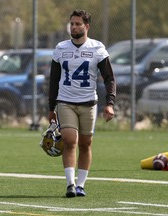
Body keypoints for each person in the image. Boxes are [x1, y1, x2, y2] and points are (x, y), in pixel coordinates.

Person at [48, 10, 116, 198]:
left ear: (87, 26)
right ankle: (70, 184)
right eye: (72, 24)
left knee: (86, 144)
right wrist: (50, 108)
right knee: (70, 141)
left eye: (78, 24)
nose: (74, 27)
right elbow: (54, 80)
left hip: (88, 103)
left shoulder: (97, 48)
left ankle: (81, 185)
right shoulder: (61, 48)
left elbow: (109, 78)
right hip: (65, 101)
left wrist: (109, 103)